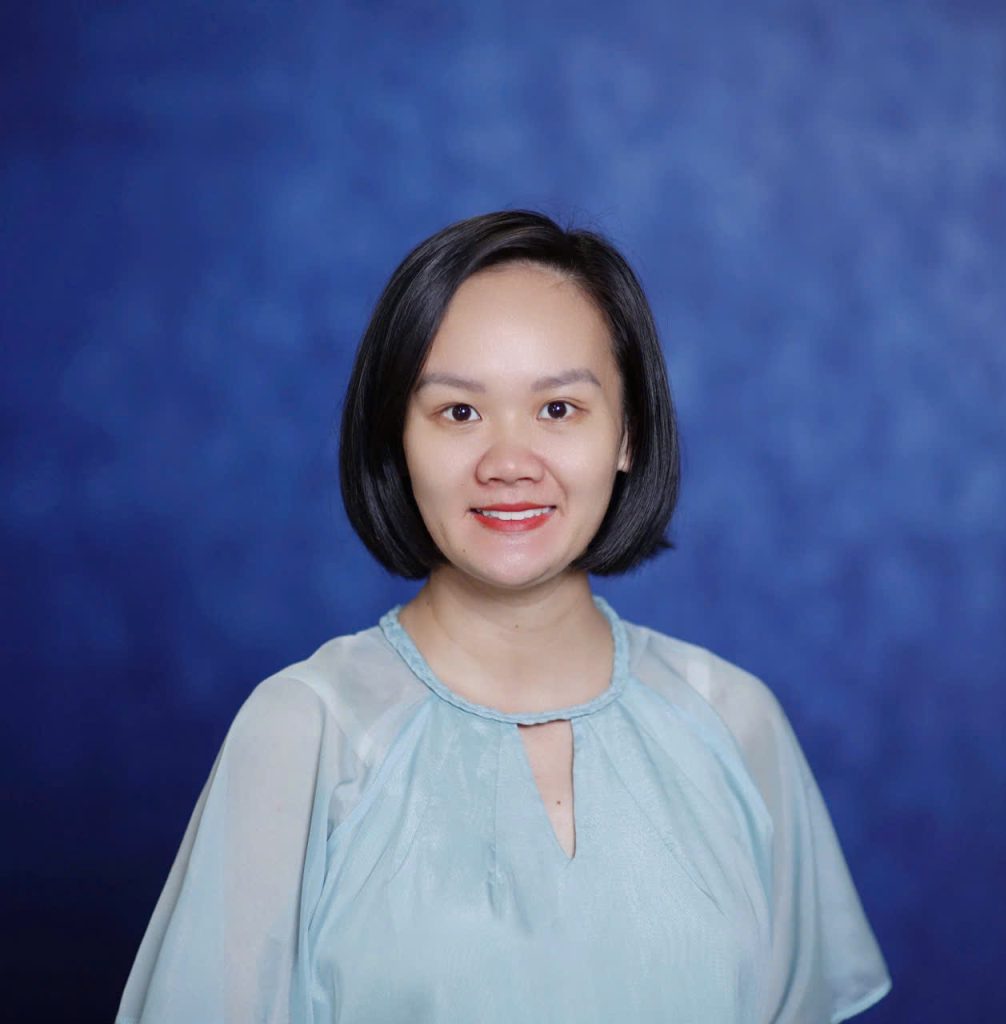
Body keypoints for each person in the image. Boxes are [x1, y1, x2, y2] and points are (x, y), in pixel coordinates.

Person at [116, 210, 891, 1023]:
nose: (510, 463)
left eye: (559, 409)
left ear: (628, 434)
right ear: (396, 438)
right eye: (459, 412)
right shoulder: (304, 732)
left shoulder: (733, 721)